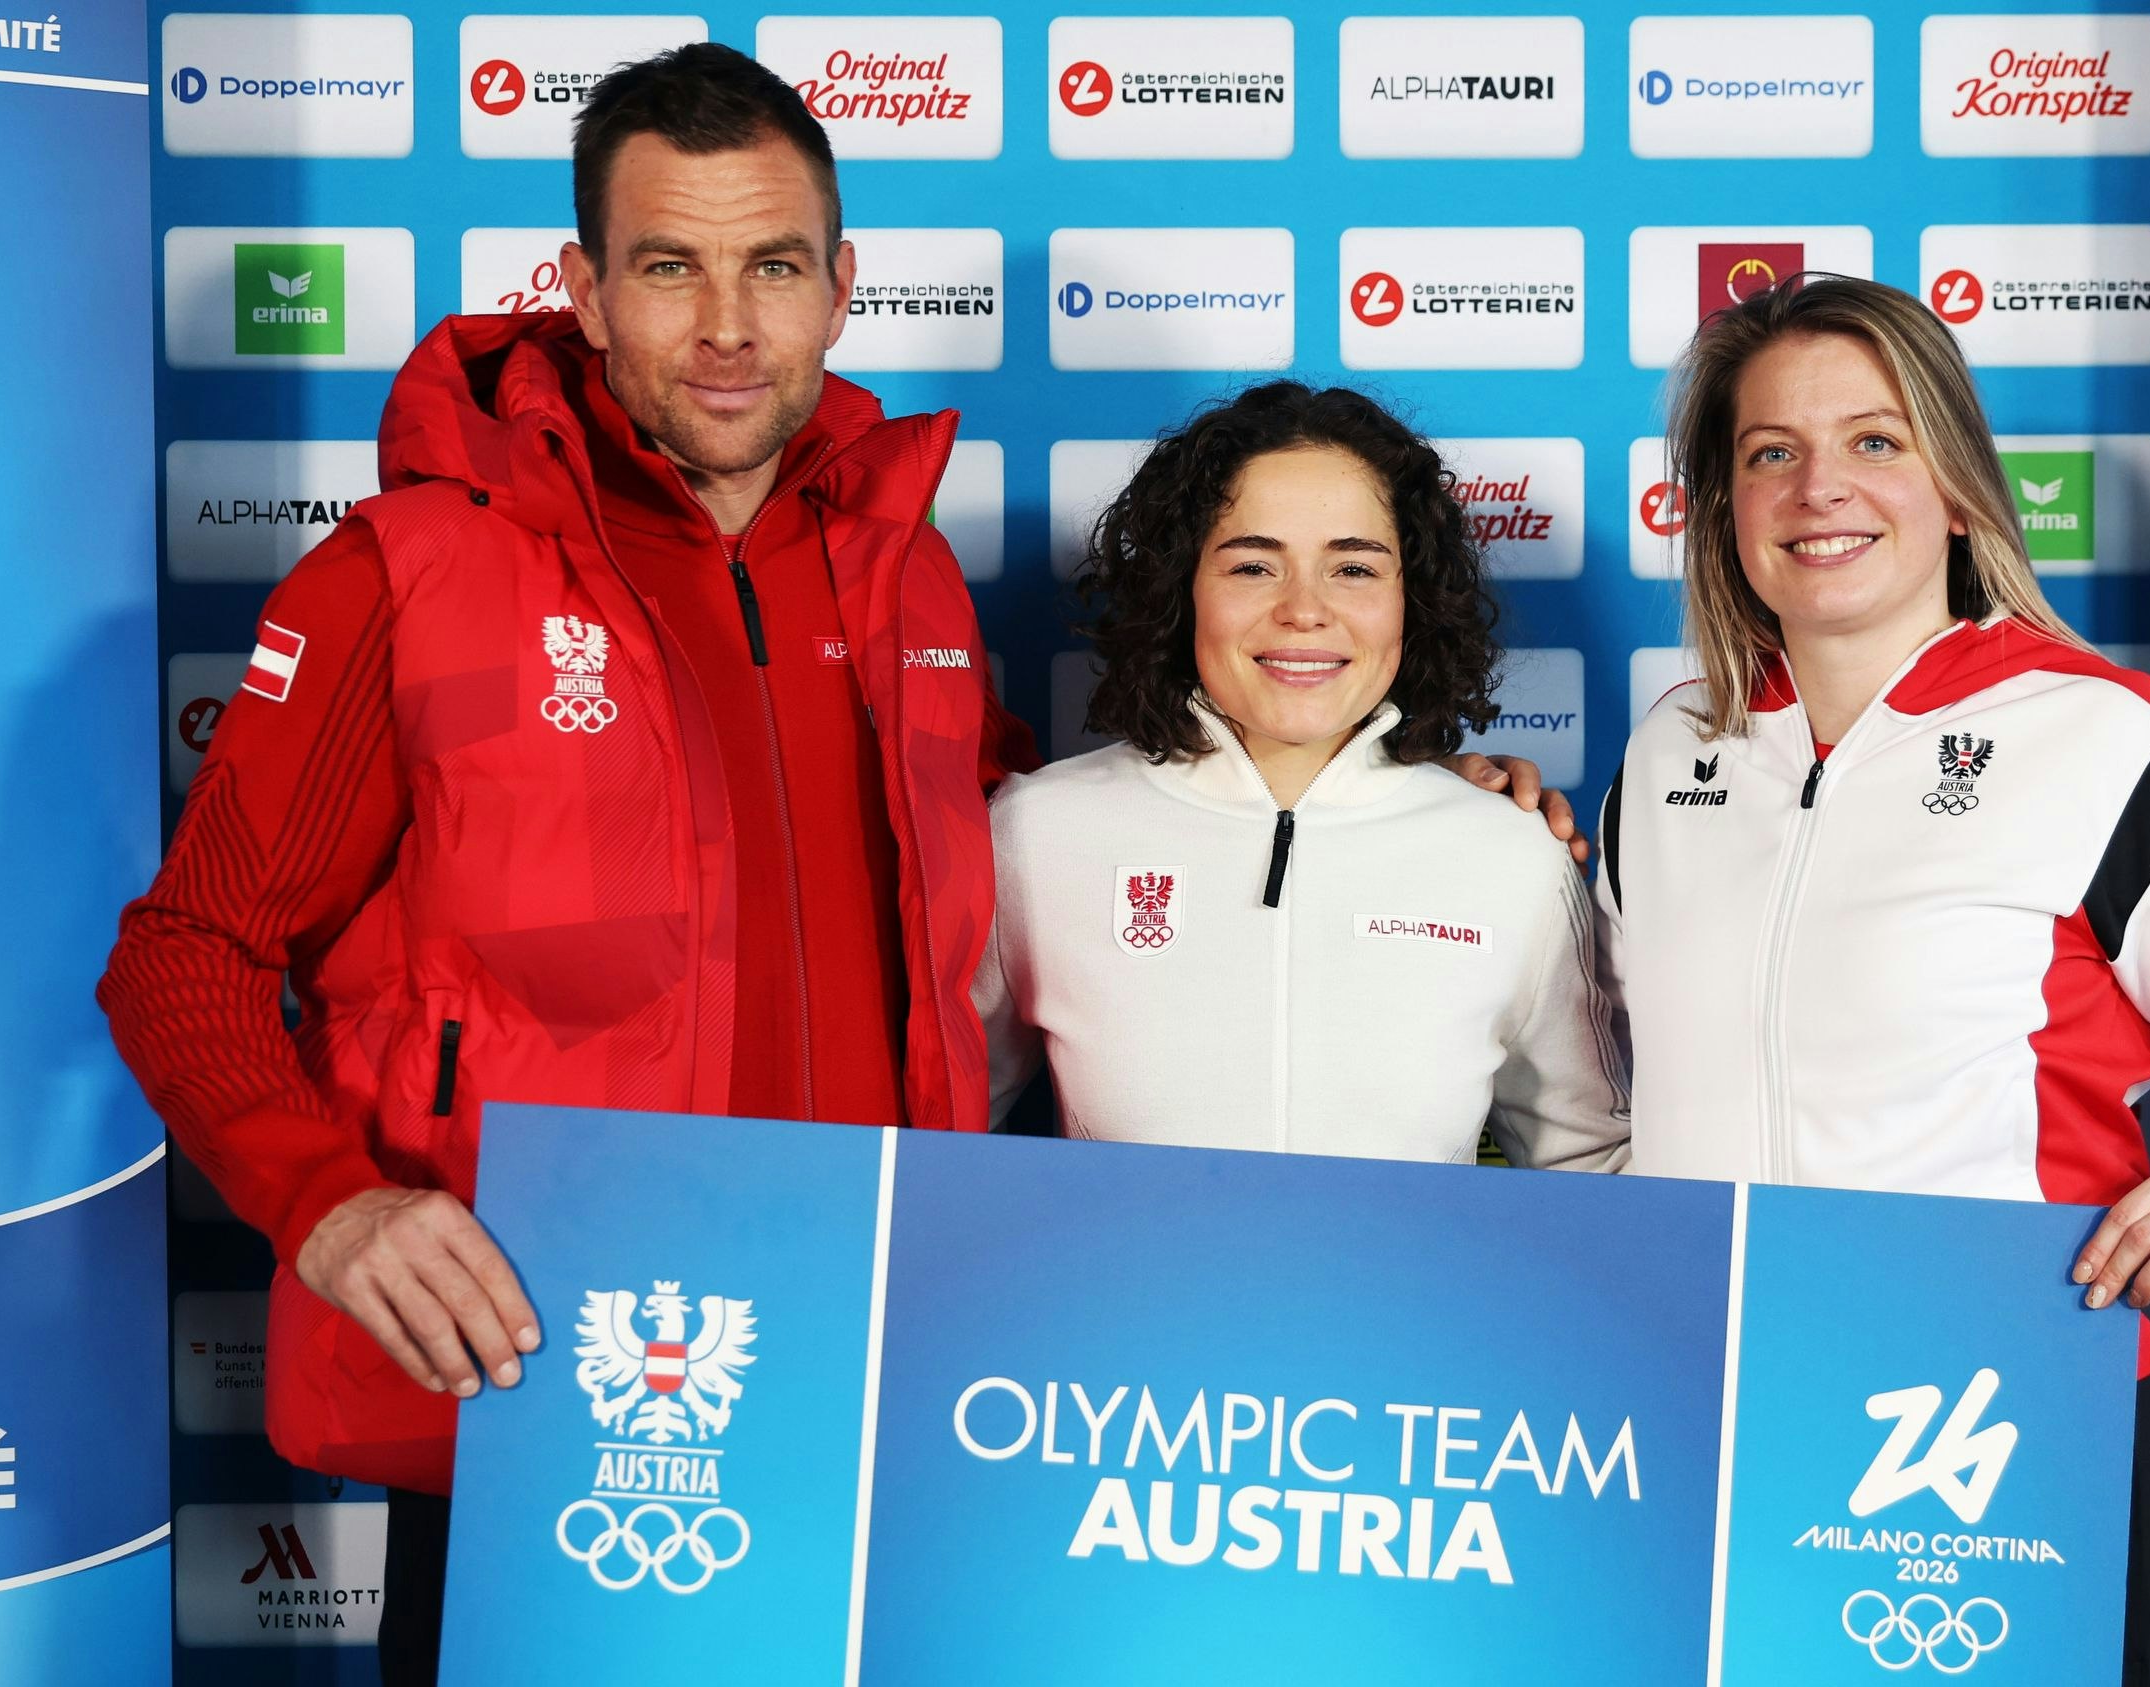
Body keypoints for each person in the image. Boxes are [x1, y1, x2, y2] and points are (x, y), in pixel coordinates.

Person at [99, 49, 1576, 1682]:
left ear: (840, 286)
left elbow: (1047, 828)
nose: (728, 324)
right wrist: (336, 1205)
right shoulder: (411, 572)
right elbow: (185, 953)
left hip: (873, 1413)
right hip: (540, 1399)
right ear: (585, 289)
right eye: (670, 266)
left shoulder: (901, 578)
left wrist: (1415, 797)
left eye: (774, 266)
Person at [1595, 274, 2150, 1686]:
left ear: (1959, 488)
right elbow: (1605, 1087)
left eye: (1876, 440)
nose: (1817, 487)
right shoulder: (1668, 756)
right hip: (1725, 1408)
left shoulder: (2099, 739)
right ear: (1721, 507)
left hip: (2012, 1415)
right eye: (1768, 452)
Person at [977, 382, 1627, 1170]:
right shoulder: (1034, 832)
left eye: (1353, 568)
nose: (1304, 610)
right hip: (1130, 1295)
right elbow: (933, 1140)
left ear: (1410, 601)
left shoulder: (1514, 854)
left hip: (1410, 1298)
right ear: (1183, 591)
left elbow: (1592, 1163)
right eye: (1253, 565)